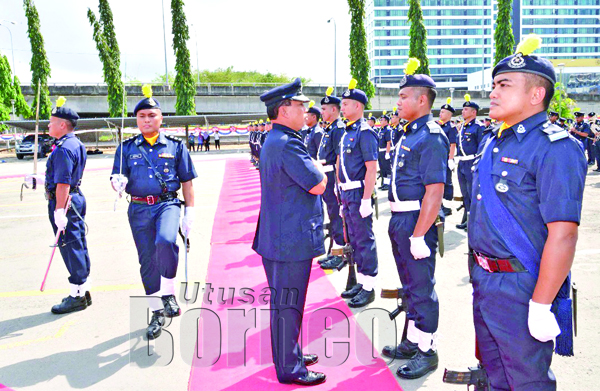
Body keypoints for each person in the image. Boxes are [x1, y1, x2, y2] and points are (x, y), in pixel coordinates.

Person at [469, 35, 586, 390]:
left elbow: (563, 233)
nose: (493, 92)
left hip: (523, 286)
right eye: (493, 85)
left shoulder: (557, 148)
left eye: (504, 85)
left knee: (527, 380)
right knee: (494, 375)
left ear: (536, 95)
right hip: (485, 279)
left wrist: (541, 302)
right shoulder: (493, 141)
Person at [252, 78, 327, 386]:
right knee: (288, 305)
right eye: (299, 105)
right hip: (290, 239)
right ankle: (290, 368)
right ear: (283, 110)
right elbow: (317, 183)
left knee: (286, 304)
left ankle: (289, 354)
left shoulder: (275, 139)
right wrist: (318, 168)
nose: (305, 109)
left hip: (279, 236)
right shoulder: (288, 143)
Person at [110, 85, 197, 340]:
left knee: (166, 241)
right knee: (147, 261)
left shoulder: (176, 147)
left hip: (167, 204)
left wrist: (189, 212)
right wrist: (117, 183)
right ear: (136, 120)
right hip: (138, 207)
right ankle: (156, 311)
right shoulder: (125, 148)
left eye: (151, 115)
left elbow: (187, 182)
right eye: (141, 116)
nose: (146, 120)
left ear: (160, 118)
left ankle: (168, 291)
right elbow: (117, 176)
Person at [380, 58, 448, 379]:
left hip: (415, 222)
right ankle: (411, 341)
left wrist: (420, 234)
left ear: (422, 100)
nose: (398, 101)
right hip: (400, 220)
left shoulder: (431, 136)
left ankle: (427, 350)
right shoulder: (408, 133)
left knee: (422, 287)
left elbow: (434, 192)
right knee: (409, 287)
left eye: (404, 96)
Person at [26, 97, 92, 314]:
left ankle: (76, 295)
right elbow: (66, 177)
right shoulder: (74, 143)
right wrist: (42, 179)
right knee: (77, 243)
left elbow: (64, 183)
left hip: (65, 201)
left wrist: (59, 211)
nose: (48, 125)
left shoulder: (63, 148)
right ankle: (84, 290)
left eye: (51, 122)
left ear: (63, 124)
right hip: (73, 197)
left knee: (70, 246)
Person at [337, 79, 379, 308]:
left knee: (364, 240)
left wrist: (366, 199)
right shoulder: (347, 131)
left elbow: (371, 168)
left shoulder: (365, 132)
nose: (342, 108)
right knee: (354, 238)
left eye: (346, 104)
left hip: (358, 193)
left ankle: (370, 286)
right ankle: (361, 282)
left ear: (358, 106)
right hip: (346, 194)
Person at [317, 87, 346, 270]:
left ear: (334, 110)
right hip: (327, 177)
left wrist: (337, 183)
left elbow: (338, 158)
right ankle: (334, 249)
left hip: (333, 178)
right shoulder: (330, 128)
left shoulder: (338, 129)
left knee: (337, 216)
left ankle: (341, 252)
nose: (322, 112)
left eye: (325, 109)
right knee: (333, 214)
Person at [455, 94, 485, 230]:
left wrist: (478, 165)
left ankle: (475, 223)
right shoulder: (463, 127)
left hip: (472, 162)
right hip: (461, 163)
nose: (463, 111)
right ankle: (467, 219)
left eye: (466, 109)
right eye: (463, 109)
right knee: (465, 194)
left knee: (472, 193)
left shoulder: (478, 127)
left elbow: (482, 148)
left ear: (474, 112)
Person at [438, 98, 457, 216]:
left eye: (443, 112)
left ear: (449, 115)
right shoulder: (441, 126)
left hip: (446, 158)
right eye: (440, 112)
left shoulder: (451, 127)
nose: (440, 114)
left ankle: (448, 206)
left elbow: (452, 144)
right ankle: (441, 204)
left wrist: (450, 159)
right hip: (439, 158)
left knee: (448, 182)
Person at [377, 111, 392, 191]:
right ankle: (384, 184)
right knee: (382, 169)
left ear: (386, 121)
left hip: (385, 151)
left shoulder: (387, 130)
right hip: (380, 151)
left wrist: (387, 153)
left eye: (382, 120)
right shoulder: (381, 130)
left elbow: (388, 142)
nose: (381, 121)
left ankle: (388, 184)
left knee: (387, 169)